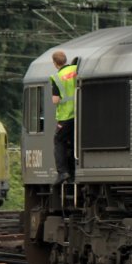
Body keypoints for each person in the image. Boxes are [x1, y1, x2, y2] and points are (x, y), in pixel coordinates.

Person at [50, 49, 77, 183]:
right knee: (73, 142)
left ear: (55, 63)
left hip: (66, 116)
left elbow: (55, 100)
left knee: (59, 140)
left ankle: (63, 172)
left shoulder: (57, 77)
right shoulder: (76, 69)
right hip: (79, 113)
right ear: (65, 60)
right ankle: (73, 171)